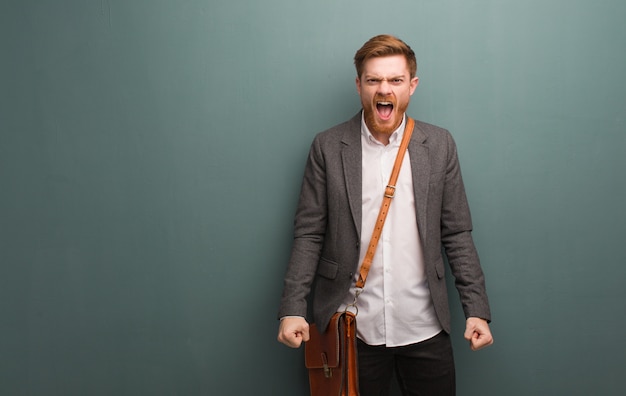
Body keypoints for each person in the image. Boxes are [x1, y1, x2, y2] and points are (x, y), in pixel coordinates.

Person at [277, 34, 493, 396]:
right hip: (352, 330)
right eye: (374, 79)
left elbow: (457, 233)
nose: (385, 89)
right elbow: (309, 233)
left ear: (412, 85)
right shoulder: (328, 147)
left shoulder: (439, 145)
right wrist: (292, 308)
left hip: (426, 329)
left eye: (395, 80)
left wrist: (477, 309)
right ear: (359, 85)